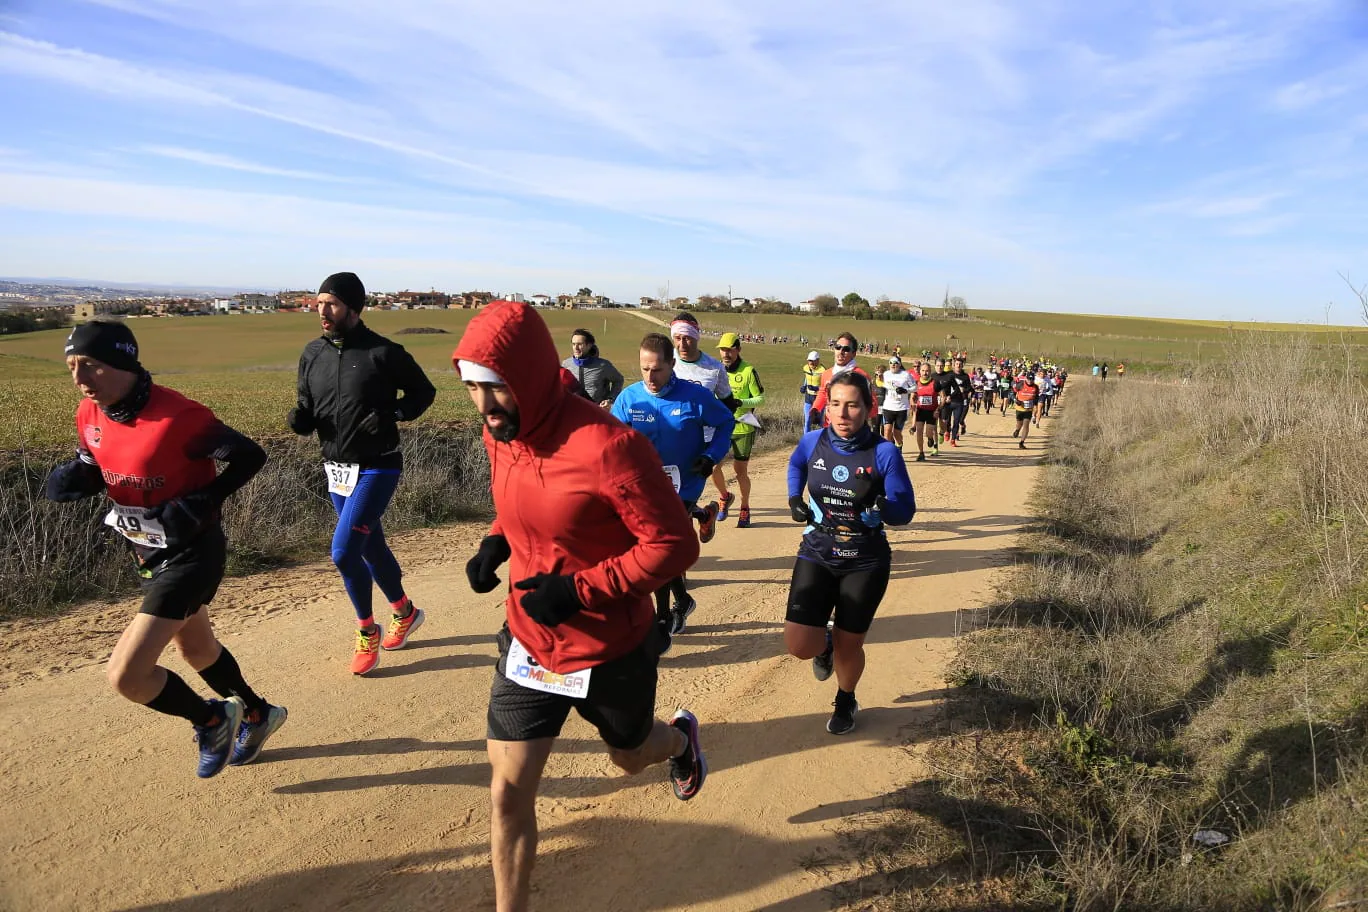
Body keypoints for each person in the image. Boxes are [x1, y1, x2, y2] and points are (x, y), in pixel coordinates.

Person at [455, 301, 707, 912]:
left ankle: (679, 743)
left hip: (608, 647)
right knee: (509, 792)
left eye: (497, 390)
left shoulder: (609, 446)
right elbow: (531, 503)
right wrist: (497, 540)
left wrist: (577, 590)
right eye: (472, 390)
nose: (486, 408)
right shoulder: (502, 434)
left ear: (533, 379)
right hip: (530, 642)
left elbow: (673, 546)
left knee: (628, 757)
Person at [45, 320, 285, 777]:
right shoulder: (89, 413)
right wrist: (80, 475)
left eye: (90, 366)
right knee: (196, 648)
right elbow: (97, 460)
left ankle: (211, 719)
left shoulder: (180, 418)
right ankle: (258, 713)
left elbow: (250, 455)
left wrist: (204, 499)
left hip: (194, 553)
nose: (79, 379)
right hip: (146, 550)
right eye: (72, 366)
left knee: (128, 675)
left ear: (124, 364)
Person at [289, 272, 437, 676]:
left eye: (331, 304)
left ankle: (366, 629)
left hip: (378, 464)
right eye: (318, 303)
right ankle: (404, 612)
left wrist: (395, 413)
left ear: (354, 309)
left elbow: (424, 392)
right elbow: (305, 402)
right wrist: (300, 418)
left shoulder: (383, 353)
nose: (322, 311)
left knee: (343, 552)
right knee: (370, 547)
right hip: (336, 468)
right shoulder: (312, 354)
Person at [784, 372, 915, 734]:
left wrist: (884, 507)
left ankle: (845, 699)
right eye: (836, 404)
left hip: (865, 559)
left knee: (849, 644)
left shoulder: (884, 452)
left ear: (869, 409)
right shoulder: (813, 442)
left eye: (853, 405)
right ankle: (822, 643)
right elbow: (796, 464)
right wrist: (795, 497)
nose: (843, 414)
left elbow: (905, 510)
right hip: (818, 550)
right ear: (827, 408)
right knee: (798, 645)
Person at [613, 333, 735, 643]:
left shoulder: (694, 397)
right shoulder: (629, 399)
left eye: (657, 369)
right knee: (654, 546)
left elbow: (726, 423)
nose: (650, 377)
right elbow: (611, 441)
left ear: (672, 365)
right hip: (645, 486)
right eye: (644, 369)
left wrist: (711, 456)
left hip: (685, 483)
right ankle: (683, 600)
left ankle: (664, 616)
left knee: (658, 546)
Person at [668, 313, 740, 520]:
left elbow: (727, 403)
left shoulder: (714, 368)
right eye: (677, 338)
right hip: (671, 433)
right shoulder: (666, 361)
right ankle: (704, 514)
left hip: (703, 437)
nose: (682, 343)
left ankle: (706, 510)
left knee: (688, 487)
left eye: (687, 337)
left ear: (697, 337)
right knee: (676, 490)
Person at [712, 333, 765, 529]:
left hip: (743, 425)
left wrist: (741, 402)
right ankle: (724, 497)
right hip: (719, 427)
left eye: (729, 349)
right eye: (722, 349)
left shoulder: (749, 371)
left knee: (739, 471)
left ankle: (745, 507)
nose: (725, 353)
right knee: (712, 466)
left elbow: (760, 398)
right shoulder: (715, 369)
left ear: (738, 349)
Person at [809, 332, 872, 428]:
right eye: (838, 347)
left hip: (853, 429)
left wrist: (859, 417)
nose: (841, 351)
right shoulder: (827, 374)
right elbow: (822, 393)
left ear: (854, 354)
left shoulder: (861, 376)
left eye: (846, 349)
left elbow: (872, 404)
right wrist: (815, 409)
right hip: (829, 427)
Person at [561, 328, 623, 407]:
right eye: (573, 344)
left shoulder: (603, 365)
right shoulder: (566, 364)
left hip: (597, 413)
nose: (576, 348)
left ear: (589, 345)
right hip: (574, 412)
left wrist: (610, 399)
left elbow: (618, 380)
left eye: (580, 344)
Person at [879, 356, 914, 450]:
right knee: (887, 431)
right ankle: (889, 452)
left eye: (896, 363)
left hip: (901, 408)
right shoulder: (886, 374)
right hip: (888, 407)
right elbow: (880, 383)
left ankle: (899, 446)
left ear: (899, 364)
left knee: (896, 433)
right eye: (891, 363)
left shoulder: (906, 375)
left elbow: (915, 387)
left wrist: (905, 390)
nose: (893, 365)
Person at [911, 361, 942, 462]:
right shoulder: (916, 383)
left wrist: (938, 409)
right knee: (919, 431)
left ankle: (930, 438)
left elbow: (943, 397)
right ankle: (921, 453)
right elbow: (913, 396)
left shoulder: (935, 383)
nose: (925, 373)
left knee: (929, 432)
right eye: (923, 371)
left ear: (930, 371)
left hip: (931, 412)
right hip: (920, 410)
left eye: (927, 371)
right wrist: (913, 403)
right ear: (920, 371)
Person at [945, 358, 973, 446]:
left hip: (959, 402)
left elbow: (969, 388)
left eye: (960, 364)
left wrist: (964, 389)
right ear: (954, 365)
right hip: (949, 401)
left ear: (962, 365)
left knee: (956, 421)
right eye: (957, 364)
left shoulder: (965, 376)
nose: (958, 365)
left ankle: (953, 440)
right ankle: (947, 431)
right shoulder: (949, 374)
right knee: (947, 420)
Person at [1012, 370, 1040, 449]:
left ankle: (1021, 442)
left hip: (1028, 410)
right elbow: (1012, 392)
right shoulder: (1020, 384)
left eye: (1032, 379)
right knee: (1019, 424)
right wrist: (1016, 400)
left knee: (1026, 425)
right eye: (1029, 379)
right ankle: (1017, 430)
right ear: (1026, 378)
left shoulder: (1036, 387)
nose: (1030, 381)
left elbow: (1036, 398)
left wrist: (1035, 407)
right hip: (1019, 408)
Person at [800, 351, 823, 431]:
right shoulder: (805, 368)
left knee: (821, 422)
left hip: (819, 398)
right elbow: (806, 377)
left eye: (813, 361)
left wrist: (816, 388)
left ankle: (823, 440)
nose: (811, 363)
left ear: (818, 360)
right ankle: (806, 441)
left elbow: (826, 386)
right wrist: (804, 386)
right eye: (809, 360)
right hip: (808, 397)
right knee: (807, 421)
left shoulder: (822, 370)